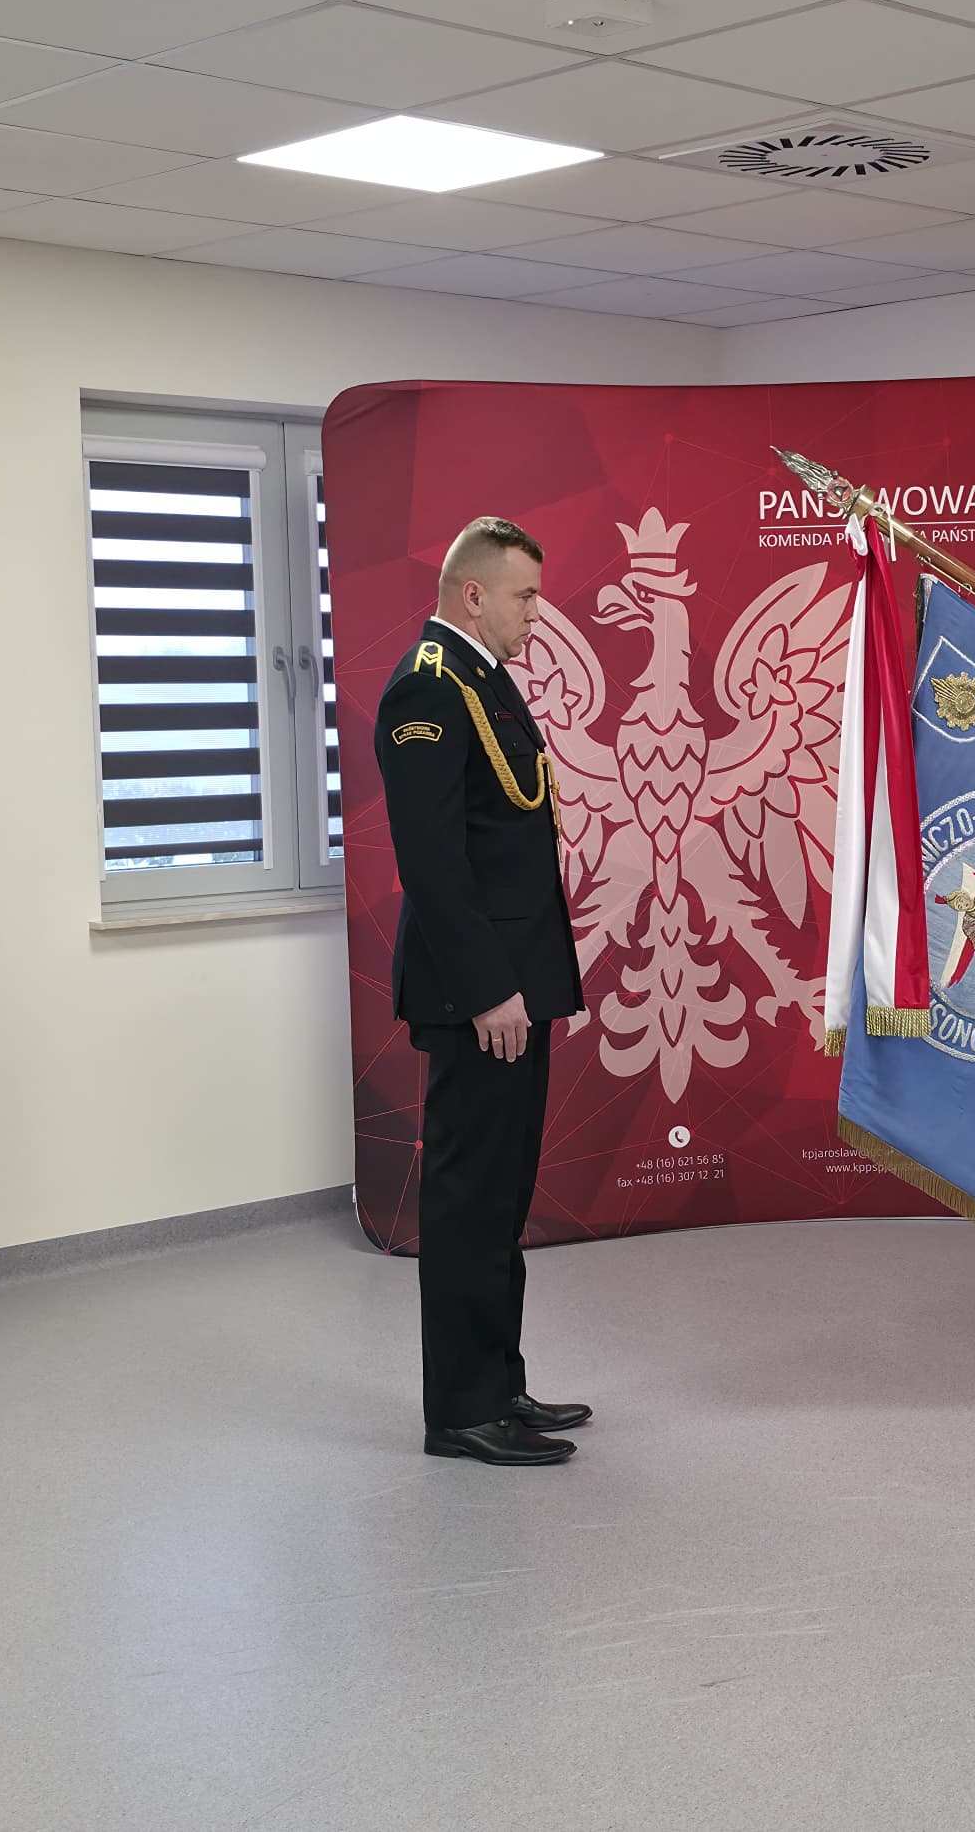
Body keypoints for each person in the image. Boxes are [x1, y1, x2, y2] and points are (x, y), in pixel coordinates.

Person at [374, 516, 590, 1466]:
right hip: (479, 997)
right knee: (469, 1199)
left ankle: (499, 1383)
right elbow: (433, 863)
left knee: (502, 1197)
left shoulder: (480, 678)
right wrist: (490, 990)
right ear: (473, 595)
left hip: (514, 985)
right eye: (524, 595)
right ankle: (461, 1411)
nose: (537, 612)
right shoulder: (427, 688)